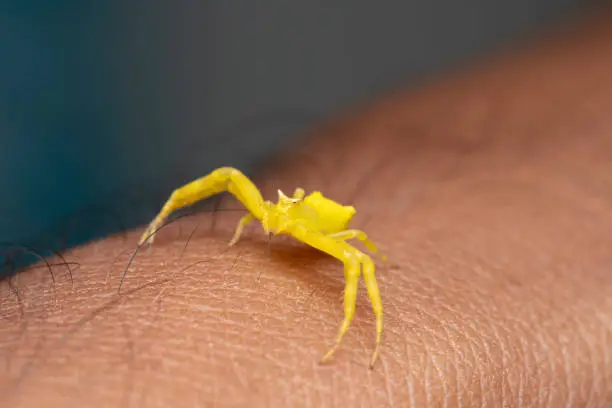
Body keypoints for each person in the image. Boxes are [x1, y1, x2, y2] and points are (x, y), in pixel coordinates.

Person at [3, 11, 612, 407]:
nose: (273, 210)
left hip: (329, 227)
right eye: (274, 207)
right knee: (227, 174)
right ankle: (160, 220)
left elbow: (359, 258)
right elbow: (232, 186)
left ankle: (355, 333)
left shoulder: (321, 233)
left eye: (280, 207)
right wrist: (192, 221)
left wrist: (359, 341)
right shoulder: (271, 210)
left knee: (357, 266)